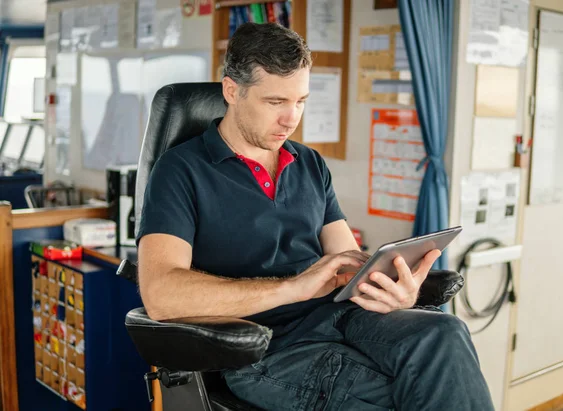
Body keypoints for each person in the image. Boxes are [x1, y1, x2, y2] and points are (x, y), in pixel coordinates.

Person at [136, 22, 494, 411]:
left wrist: (393, 292)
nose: (291, 119)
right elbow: (161, 296)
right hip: (264, 348)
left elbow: (349, 268)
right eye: (275, 102)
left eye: (301, 101)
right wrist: (296, 286)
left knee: (445, 332)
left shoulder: (309, 163)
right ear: (232, 91)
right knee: (412, 395)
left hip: (342, 318)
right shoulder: (180, 171)